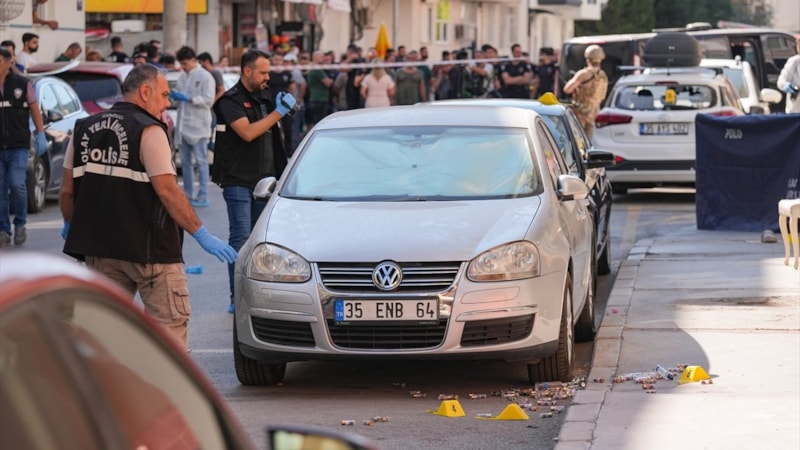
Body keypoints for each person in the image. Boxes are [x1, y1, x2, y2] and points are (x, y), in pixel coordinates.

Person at [59, 63, 236, 351]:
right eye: (164, 95)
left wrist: (70, 224)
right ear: (145, 92)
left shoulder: (83, 128)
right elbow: (167, 191)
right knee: (169, 335)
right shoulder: (149, 130)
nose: (167, 103)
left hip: (100, 251)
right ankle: (167, 396)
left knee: (101, 337)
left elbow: (67, 190)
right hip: (151, 254)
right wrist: (200, 232)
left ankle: (108, 394)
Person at [211, 49, 296, 313]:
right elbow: (247, 133)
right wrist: (278, 113)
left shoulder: (264, 98)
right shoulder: (230, 101)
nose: (267, 77)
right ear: (247, 71)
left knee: (262, 241)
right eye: (263, 72)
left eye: (268, 72)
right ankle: (237, 296)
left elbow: (273, 137)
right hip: (239, 179)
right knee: (241, 237)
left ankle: (259, 294)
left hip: (266, 181)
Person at [0, 47, 47, 247]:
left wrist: (40, 133)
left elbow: (35, 109)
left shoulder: (22, 83)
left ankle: (20, 223)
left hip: (18, 146)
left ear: (8, 62)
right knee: (0, 189)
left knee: (16, 184)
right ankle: (3, 229)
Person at [172, 46, 216, 208]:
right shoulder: (182, 76)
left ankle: (203, 194)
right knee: (186, 163)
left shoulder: (205, 77)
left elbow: (208, 100)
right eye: (181, 64)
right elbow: (178, 98)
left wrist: (190, 99)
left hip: (199, 125)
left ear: (193, 60)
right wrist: (175, 96)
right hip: (184, 125)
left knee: (202, 161)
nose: (183, 67)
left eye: (185, 63)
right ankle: (188, 194)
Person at [563, 44, 608, 138]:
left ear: (588, 58)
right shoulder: (603, 75)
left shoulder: (583, 74)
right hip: (594, 113)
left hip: (580, 113)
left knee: (576, 140)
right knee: (588, 142)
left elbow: (567, 89)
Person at [305, 50, 333, 130]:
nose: (324, 59)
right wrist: (331, 80)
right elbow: (328, 83)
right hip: (319, 100)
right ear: (316, 58)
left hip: (317, 99)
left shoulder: (317, 69)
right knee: (320, 122)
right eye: (322, 57)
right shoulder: (317, 70)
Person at [777, 38, 800, 114]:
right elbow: (781, 81)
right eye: (798, 44)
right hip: (795, 112)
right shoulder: (794, 62)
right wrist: (786, 86)